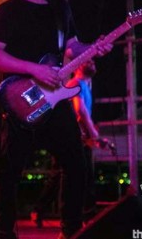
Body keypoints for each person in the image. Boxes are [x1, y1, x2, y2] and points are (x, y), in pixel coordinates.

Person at [0, 0, 112, 239]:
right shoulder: (7, 12)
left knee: (76, 163)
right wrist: (34, 70)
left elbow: (72, 48)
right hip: (21, 99)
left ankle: (71, 230)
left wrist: (94, 48)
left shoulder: (58, 6)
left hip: (55, 98)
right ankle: (3, 233)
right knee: (9, 169)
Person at [31, 59, 111, 226]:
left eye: (93, 61)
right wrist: (94, 135)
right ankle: (80, 215)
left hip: (78, 136)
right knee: (73, 174)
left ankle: (42, 210)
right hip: (71, 137)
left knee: (65, 175)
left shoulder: (85, 86)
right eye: (88, 61)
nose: (92, 63)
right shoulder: (76, 84)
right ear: (79, 65)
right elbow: (80, 111)